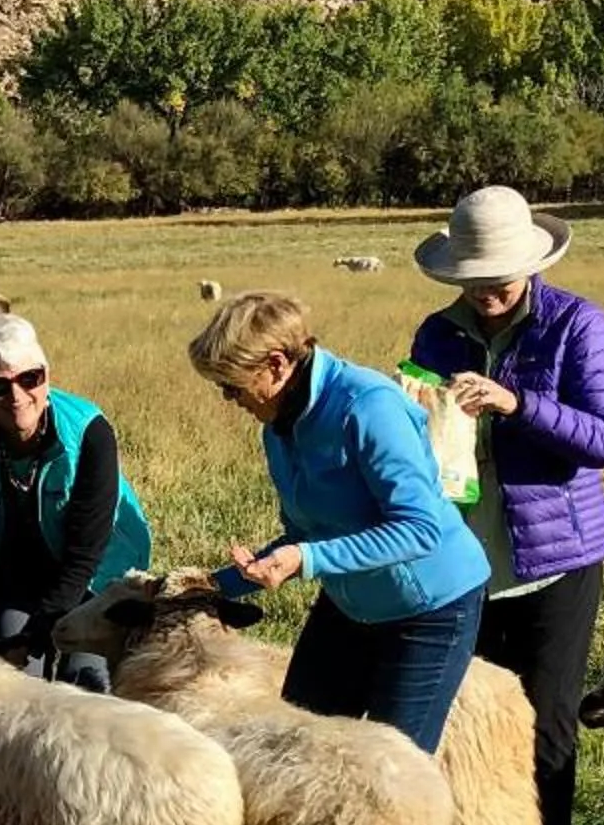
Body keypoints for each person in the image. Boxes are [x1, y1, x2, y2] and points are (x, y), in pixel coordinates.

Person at [410, 185, 604, 825]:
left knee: (545, 725)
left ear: (530, 266)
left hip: (554, 564)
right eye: (469, 281)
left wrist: (517, 404)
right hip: (464, 561)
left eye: (497, 281)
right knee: (466, 718)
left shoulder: (577, 326)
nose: (484, 294)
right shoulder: (436, 334)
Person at [188, 289, 487, 752]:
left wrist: (304, 558)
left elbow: (420, 528)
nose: (229, 399)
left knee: (389, 773)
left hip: (429, 608)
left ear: (275, 365)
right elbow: (307, 533)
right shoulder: (279, 425)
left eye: (232, 384)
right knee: (297, 749)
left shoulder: (368, 406)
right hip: (353, 602)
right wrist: (214, 586)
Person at [0, 312, 151, 692]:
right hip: (18, 575)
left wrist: (35, 636)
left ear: (46, 377)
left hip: (98, 577)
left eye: (29, 379)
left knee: (86, 687)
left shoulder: (90, 433)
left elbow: (85, 554)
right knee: (15, 690)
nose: (17, 397)